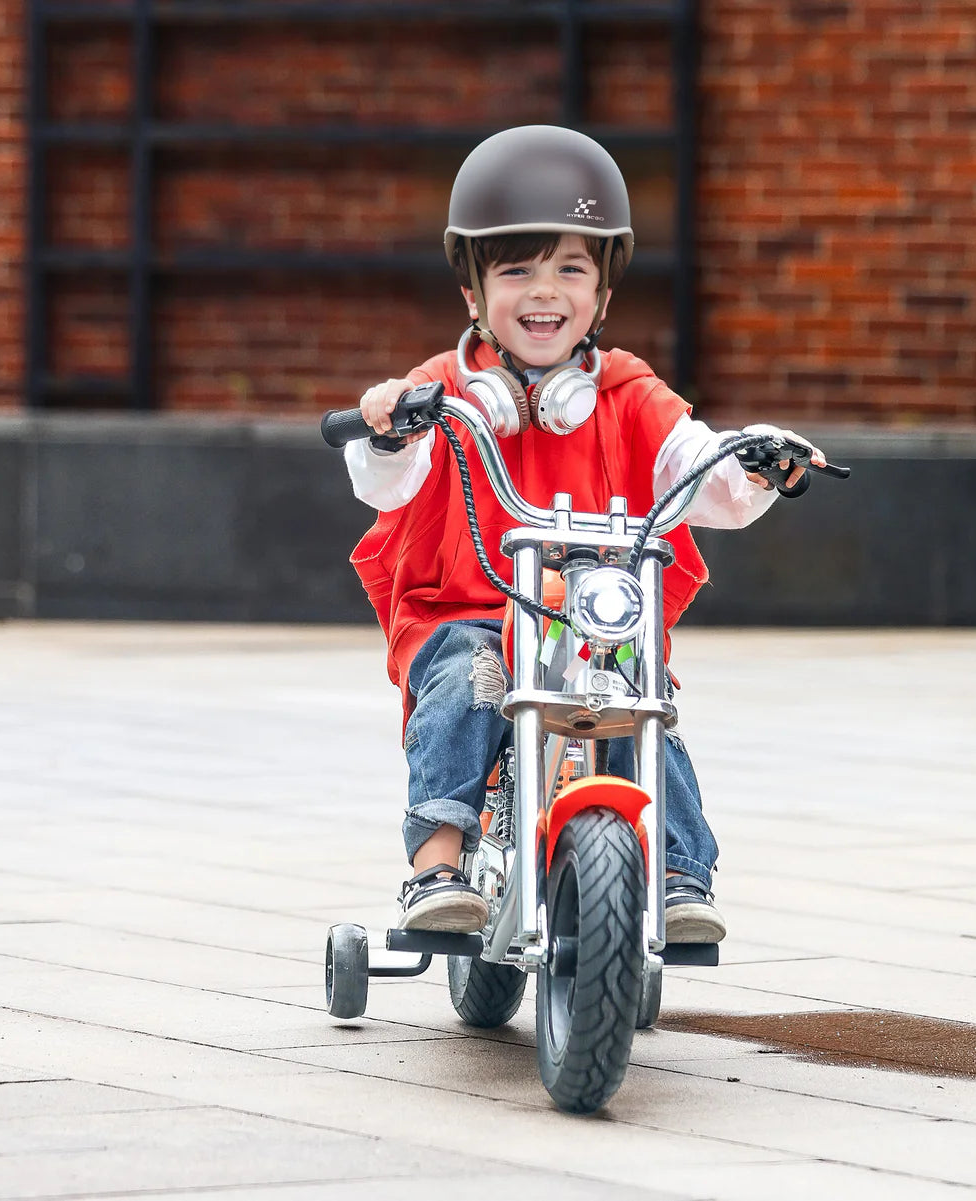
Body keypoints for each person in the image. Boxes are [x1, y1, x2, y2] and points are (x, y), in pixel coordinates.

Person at [343, 125, 826, 940]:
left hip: (591, 614)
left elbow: (694, 464)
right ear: (472, 292)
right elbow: (383, 477)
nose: (546, 291)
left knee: (648, 704)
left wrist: (754, 461)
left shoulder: (625, 391)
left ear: (602, 294)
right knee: (465, 679)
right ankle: (438, 862)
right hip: (469, 608)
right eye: (517, 269)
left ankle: (677, 873)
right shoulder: (446, 391)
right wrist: (392, 425)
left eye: (571, 267)